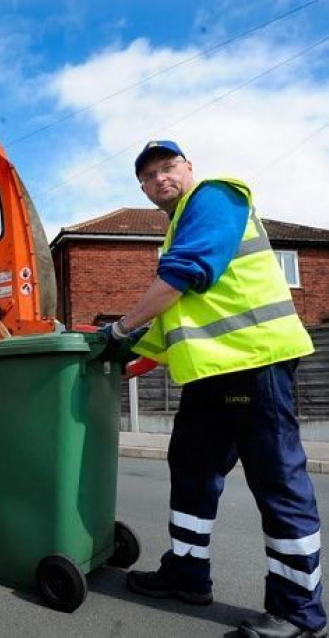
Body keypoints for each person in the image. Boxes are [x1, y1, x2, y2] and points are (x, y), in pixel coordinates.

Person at [102, 140, 325, 638]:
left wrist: (118, 330)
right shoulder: (176, 230)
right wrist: (119, 363)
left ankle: (298, 613)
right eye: (149, 175)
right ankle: (186, 573)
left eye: (168, 167)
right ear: (141, 188)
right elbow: (166, 330)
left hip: (256, 360)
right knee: (192, 467)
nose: (160, 178)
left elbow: (184, 276)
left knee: (277, 480)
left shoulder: (214, 197)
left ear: (188, 168)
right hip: (210, 376)